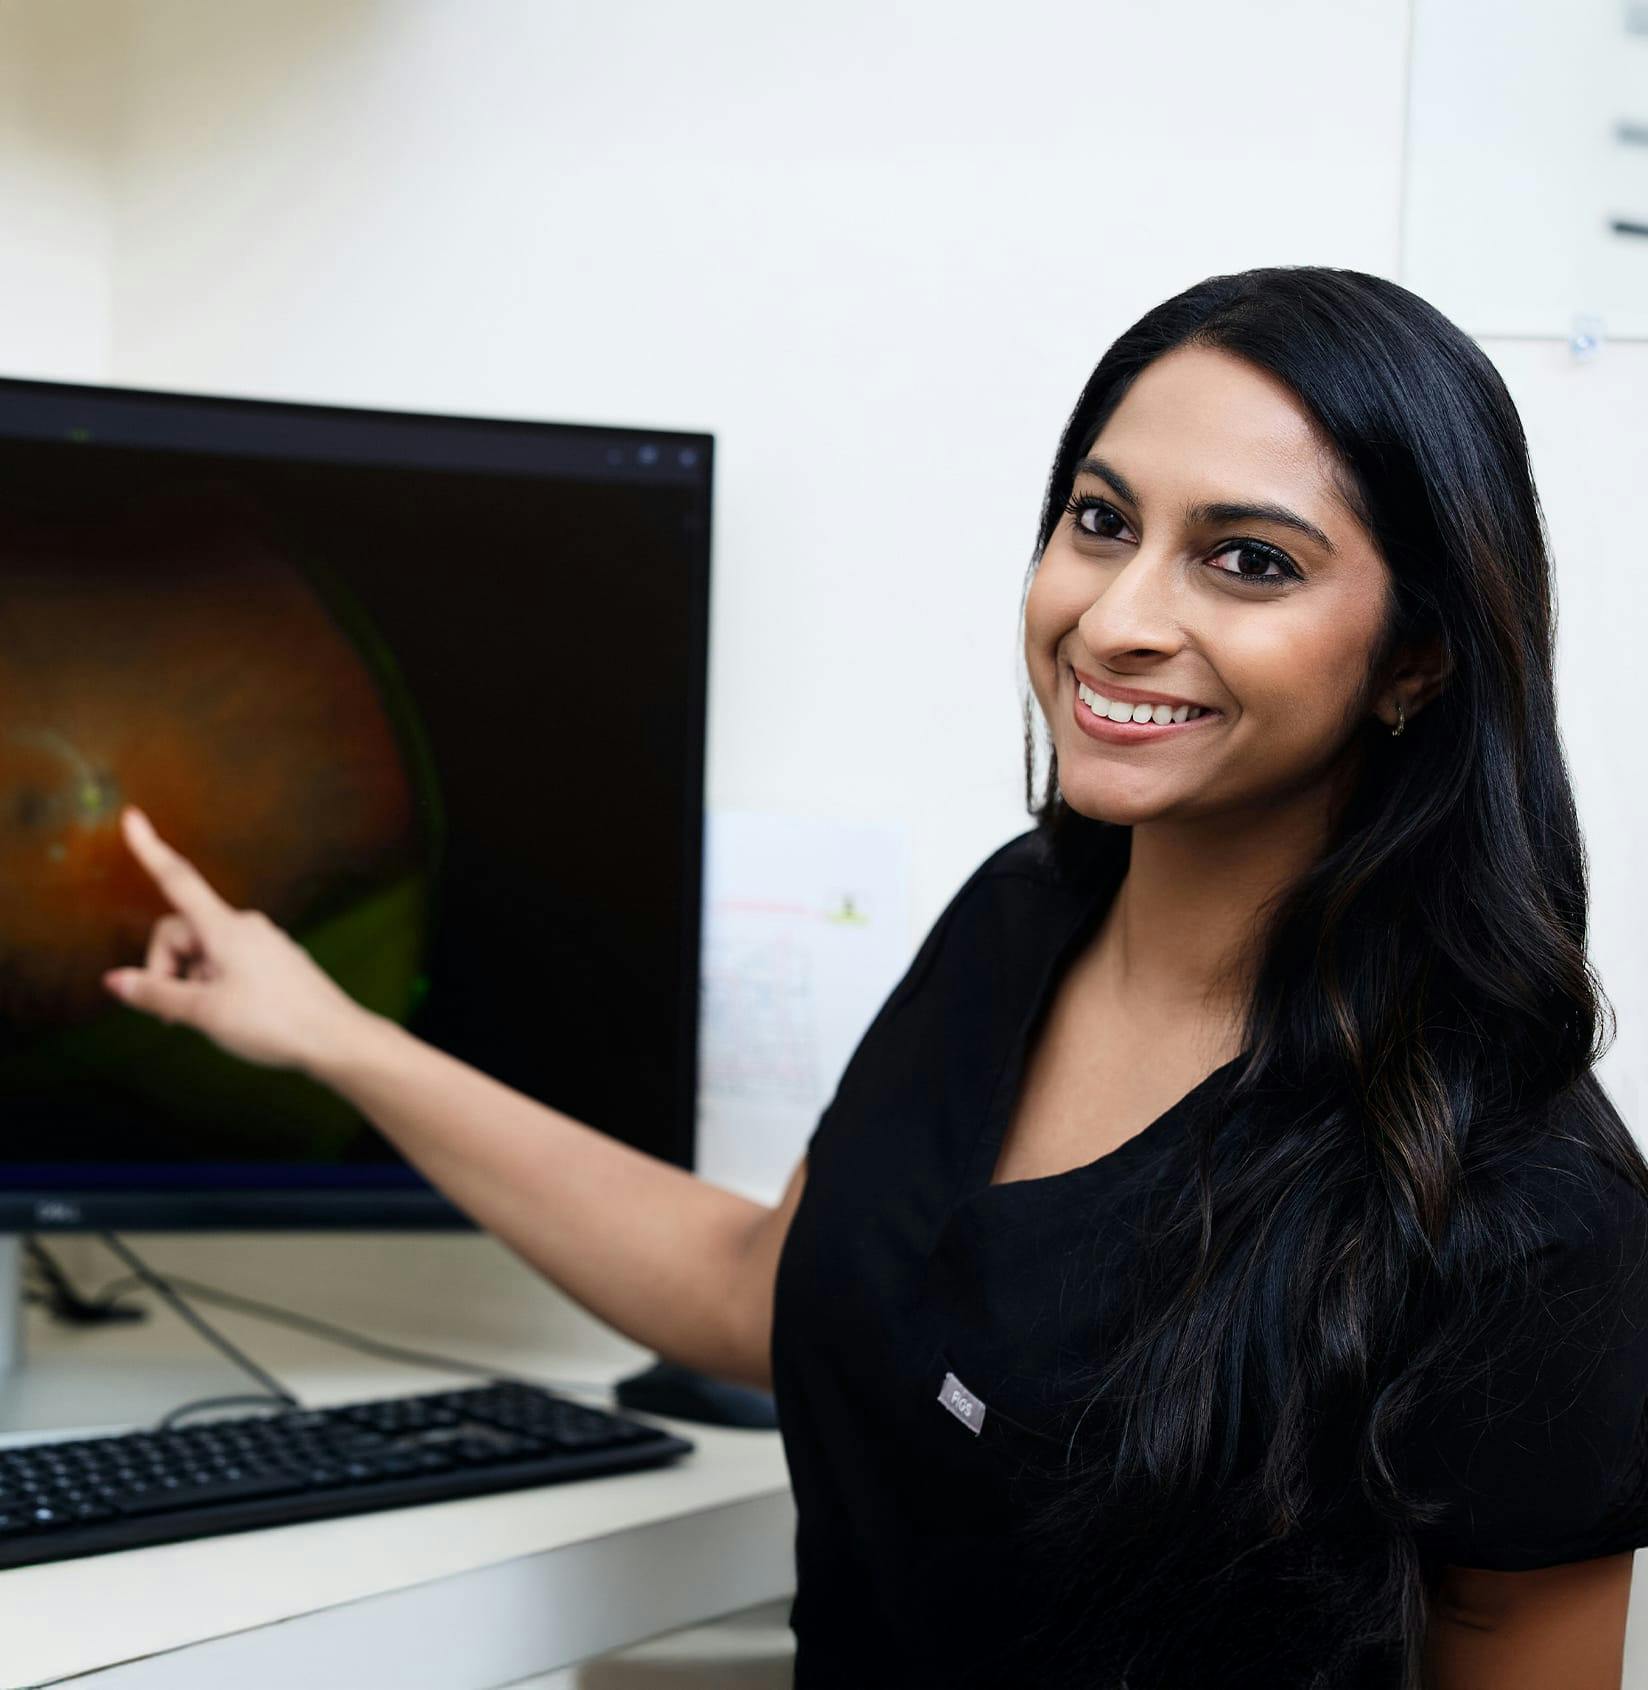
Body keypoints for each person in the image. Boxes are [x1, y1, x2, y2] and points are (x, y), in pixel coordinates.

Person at [101, 265, 1648, 1690]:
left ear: (1418, 657)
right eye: (1100, 520)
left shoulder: (1519, 1192)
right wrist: (327, 1030)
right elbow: (757, 1288)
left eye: (1246, 561)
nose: (1114, 618)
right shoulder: (1017, 920)